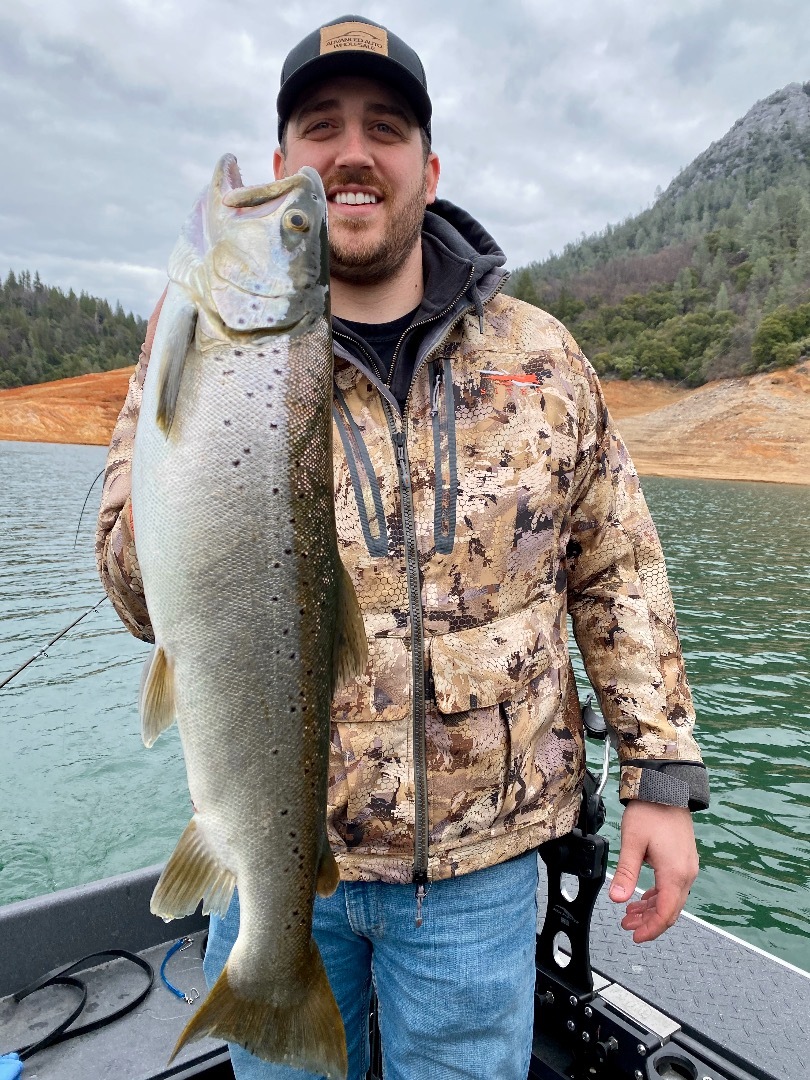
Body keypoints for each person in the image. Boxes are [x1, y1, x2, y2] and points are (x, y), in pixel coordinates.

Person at [96, 14, 709, 1080]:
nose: (352, 151)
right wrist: (169, 392)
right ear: (286, 164)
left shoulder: (541, 355)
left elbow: (617, 565)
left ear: (429, 165)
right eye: (319, 127)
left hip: (478, 879)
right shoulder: (196, 360)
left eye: (385, 127)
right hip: (272, 859)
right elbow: (139, 598)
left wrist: (661, 778)